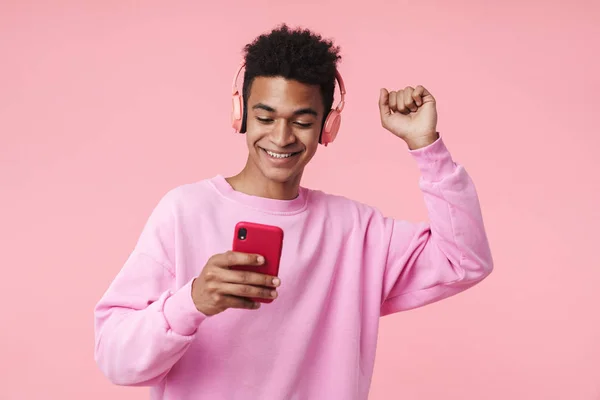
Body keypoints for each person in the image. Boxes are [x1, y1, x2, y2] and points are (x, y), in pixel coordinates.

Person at [94, 24, 493, 400]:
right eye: (265, 118)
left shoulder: (356, 230)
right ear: (241, 115)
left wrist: (427, 147)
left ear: (327, 126)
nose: (281, 137)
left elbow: (465, 260)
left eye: (302, 121)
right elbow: (116, 360)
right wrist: (192, 302)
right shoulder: (184, 211)